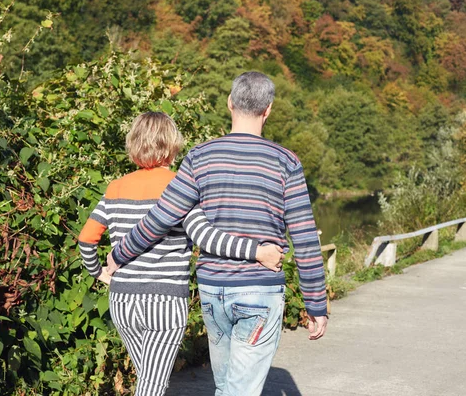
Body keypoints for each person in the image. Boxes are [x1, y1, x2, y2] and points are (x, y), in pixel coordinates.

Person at [108, 72, 328, 396]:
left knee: (226, 387)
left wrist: (119, 254)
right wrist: (316, 304)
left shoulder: (200, 156)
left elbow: (162, 217)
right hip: (260, 292)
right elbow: (306, 238)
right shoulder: (286, 162)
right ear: (268, 110)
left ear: (230, 104)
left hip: (213, 291)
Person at [78, 111, 284, 396]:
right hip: (163, 302)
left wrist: (99, 272)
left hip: (122, 301)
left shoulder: (115, 187)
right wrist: (257, 252)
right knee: (153, 386)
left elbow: (86, 239)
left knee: (148, 381)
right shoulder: (181, 187)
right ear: (172, 145)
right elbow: (206, 237)